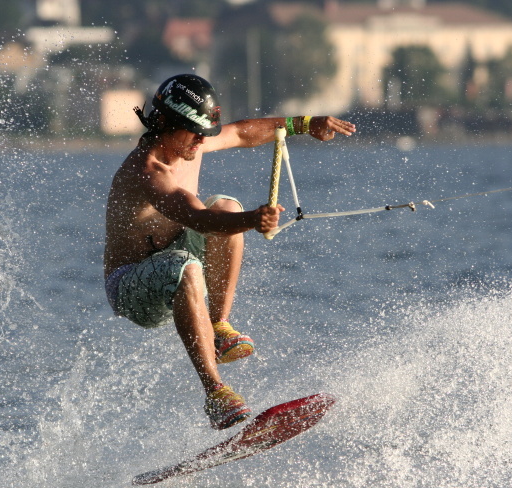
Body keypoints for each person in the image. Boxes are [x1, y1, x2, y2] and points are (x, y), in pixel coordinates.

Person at [104, 74, 355, 430]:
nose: (201, 139)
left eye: (204, 131)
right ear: (164, 123)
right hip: (131, 286)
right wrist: (253, 220)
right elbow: (197, 217)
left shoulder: (190, 143)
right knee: (189, 265)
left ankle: (219, 327)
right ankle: (216, 394)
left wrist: (304, 124)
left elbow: (241, 132)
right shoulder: (147, 171)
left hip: (175, 251)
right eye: (194, 131)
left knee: (227, 208)